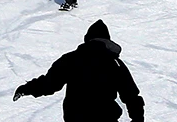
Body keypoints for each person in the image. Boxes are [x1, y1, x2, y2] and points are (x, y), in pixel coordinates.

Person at [12, 19, 144, 122]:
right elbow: (131, 95)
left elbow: (49, 84)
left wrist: (26, 88)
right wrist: (138, 118)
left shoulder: (71, 59)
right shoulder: (115, 63)